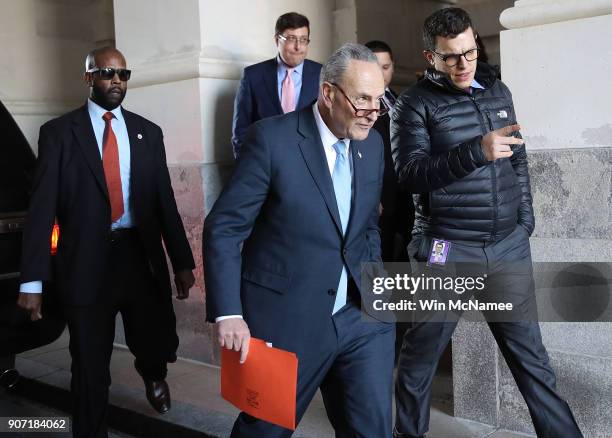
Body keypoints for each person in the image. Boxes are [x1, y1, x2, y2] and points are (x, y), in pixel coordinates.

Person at [391, 8, 582, 438]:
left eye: (470, 52)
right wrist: (477, 151)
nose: (464, 64)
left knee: (532, 360)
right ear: (430, 57)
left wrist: (524, 221)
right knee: (420, 360)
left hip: (507, 246)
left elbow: (517, 157)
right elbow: (410, 175)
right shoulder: (413, 104)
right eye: (451, 57)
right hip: (447, 248)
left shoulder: (498, 91)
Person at [204, 43, 394, 437]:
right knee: (264, 432)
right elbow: (225, 227)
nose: (374, 112)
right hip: (288, 320)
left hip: (362, 319)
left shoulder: (373, 145)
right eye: (362, 99)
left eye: (379, 100)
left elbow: (367, 226)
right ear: (328, 93)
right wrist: (229, 312)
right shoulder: (271, 140)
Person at [17, 47, 196, 438]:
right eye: (106, 73)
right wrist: (32, 281)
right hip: (85, 264)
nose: (116, 81)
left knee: (154, 341)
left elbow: (164, 202)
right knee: (88, 363)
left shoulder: (148, 133)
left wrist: (182, 262)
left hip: (139, 259)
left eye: (123, 74)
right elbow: (42, 210)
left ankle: (153, 374)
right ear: (88, 78)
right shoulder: (59, 134)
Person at [231, 12, 322, 158]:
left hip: (310, 165)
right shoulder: (253, 76)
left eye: (304, 40)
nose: (298, 47)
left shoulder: (322, 74)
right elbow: (241, 131)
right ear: (276, 40)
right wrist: (247, 167)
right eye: (292, 39)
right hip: (265, 164)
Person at [365, 40, 414, 264]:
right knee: (380, 252)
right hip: (380, 192)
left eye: (386, 67)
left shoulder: (401, 99)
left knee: (407, 251)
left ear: (393, 66)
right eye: (376, 68)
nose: (382, 74)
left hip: (406, 188)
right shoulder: (359, 105)